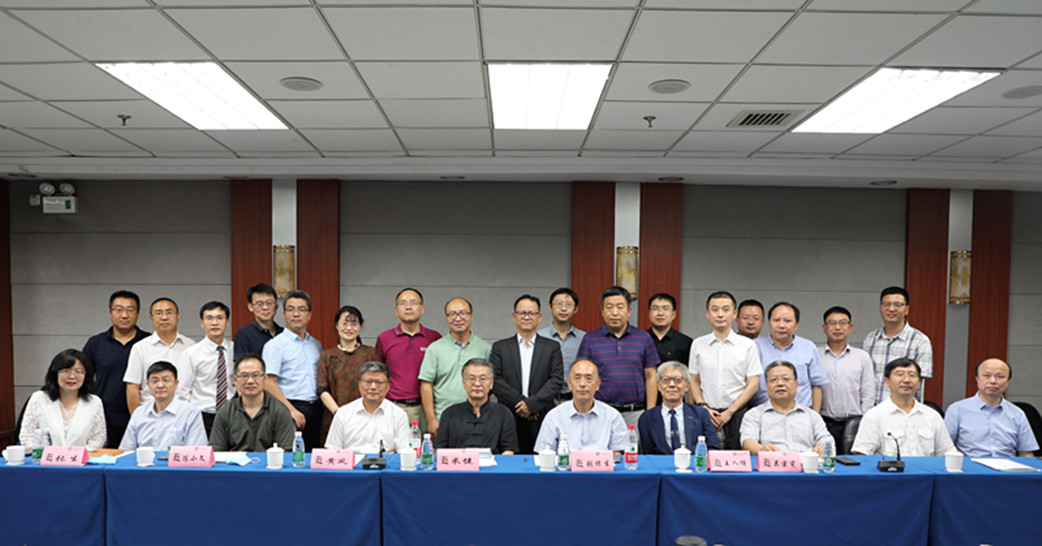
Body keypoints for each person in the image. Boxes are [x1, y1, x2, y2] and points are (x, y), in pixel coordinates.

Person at [575, 286, 660, 428]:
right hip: (601, 412)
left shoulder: (643, 338)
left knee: (634, 443)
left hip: (635, 412)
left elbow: (651, 376)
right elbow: (582, 376)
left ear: (629, 311)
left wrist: (649, 412)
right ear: (602, 311)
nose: (615, 312)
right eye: (609, 307)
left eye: (620, 307)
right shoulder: (590, 339)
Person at [490, 294, 564, 453]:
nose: (526, 317)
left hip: (542, 415)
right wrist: (523, 404)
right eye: (522, 313)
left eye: (531, 313)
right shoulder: (500, 347)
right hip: (509, 414)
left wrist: (532, 405)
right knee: (509, 460)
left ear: (539, 317)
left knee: (543, 461)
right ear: (514, 316)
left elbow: (556, 380)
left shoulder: (552, 347)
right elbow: (495, 380)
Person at [688, 291, 761, 449]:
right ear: (707, 314)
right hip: (707, 412)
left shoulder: (747, 345)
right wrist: (703, 406)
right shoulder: (698, 344)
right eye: (715, 310)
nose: (720, 314)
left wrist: (731, 411)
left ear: (734, 314)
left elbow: (753, 383)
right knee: (704, 456)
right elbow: (693, 380)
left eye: (725, 309)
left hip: (737, 412)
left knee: (736, 458)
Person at [82, 290, 151, 448]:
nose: (124, 315)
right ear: (110, 313)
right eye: (119, 310)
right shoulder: (96, 343)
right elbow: (83, 378)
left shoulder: (149, 342)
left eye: (130, 310)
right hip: (105, 418)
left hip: (143, 415)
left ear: (138, 314)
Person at [418, 297, 491, 437]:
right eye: (452, 314)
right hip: (443, 419)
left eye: (463, 313)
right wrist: (431, 419)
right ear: (446, 318)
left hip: (478, 419)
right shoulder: (435, 348)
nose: (458, 318)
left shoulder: (485, 348)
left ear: (471, 316)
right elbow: (426, 384)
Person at [851, 358, 954, 457]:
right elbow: (863, 455)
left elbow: (948, 453)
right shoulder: (874, 416)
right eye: (900, 374)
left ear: (919, 382)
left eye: (912, 375)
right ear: (887, 381)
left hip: (926, 469)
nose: (906, 380)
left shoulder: (932, 416)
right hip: (890, 469)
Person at [261, 290, 323, 450]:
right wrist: (291, 410)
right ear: (284, 314)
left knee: (314, 457)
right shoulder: (275, 345)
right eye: (290, 309)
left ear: (309, 315)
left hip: (316, 409)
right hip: (289, 409)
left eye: (301, 309)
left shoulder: (316, 345)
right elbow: (267, 382)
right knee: (293, 456)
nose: (296, 314)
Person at [375, 288, 441, 433]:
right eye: (403, 303)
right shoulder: (384, 338)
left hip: (425, 407)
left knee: (425, 445)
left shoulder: (434, 338)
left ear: (422, 309)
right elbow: (379, 374)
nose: (409, 307)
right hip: (394, 405)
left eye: (414, 303)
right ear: (396, 310)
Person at [945, 358, 1038, 457]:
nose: (993, 381)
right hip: (969, 465)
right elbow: (945, 448)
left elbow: (1026, 453)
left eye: (1000, 376)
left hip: (1007, 465)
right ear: (977, 378)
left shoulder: (1017, 413)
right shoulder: (957, 410)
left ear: (1008, 381)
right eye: (986, 375)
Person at [534, 360, 629, 452]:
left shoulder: (612, 416)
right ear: (569, 384)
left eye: (588, 378)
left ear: (597, 384)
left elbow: (618, 454)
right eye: (577, 378)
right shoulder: (554, 416)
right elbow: (544, 453)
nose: (582, 384)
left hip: (601, 463)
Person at [19, 349, 106, 450]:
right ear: (55, 373)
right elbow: (26, 437)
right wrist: (52, 453)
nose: (72, 376)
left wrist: (74, 454)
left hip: (82, 459)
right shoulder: (38, 399)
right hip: (45, 458)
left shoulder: (94, 402)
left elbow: (98, 439)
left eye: (78, 372)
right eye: (66, 371)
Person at [741, 361, 831, 456]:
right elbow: (747, 442)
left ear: (796, 385)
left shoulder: (811, 415)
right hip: (772, 462)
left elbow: (827, 440)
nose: (780, 383)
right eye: (773, 380)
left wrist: (823, 449)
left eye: (786, 379)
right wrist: (761, 449)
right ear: (766, 386)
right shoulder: (754, 415)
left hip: (806, 463)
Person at [751, 302, 829, 412]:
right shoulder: (755, 346)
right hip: (764, 414)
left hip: (801, 414)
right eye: (776, 320)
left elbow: (816, 385)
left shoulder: (808, 347)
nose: (781, 325)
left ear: (796, 325)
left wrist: (814, 416)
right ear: (769, 323)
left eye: (787, 321)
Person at [317, 305, 378, 444]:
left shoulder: (370, 354)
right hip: (334, 417)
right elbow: (322, 389)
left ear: (360, 327)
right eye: (345, 323)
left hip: (365, 418)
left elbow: (377, 387)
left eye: (354, 323)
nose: (349, 328)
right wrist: (339, 414)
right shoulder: (327, 355)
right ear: (337, 326)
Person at [818, 306, 875, 453]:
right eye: (832, 323)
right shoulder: (815, 355)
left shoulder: (862, 357)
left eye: (843, 323)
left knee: (851, 462)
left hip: (854, 424)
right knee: (825, 461)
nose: (838, 327)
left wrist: (864, 423)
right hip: (824, 423)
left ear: (850, 328)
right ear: (824, 328)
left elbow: (868, 394)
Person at [210, 354, 296, 452]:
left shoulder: (280, 411)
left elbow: (286, 451)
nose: (250, 381)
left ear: (265, 379)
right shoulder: (225, 412)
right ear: (235, 380)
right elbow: (217, 451)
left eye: (255, 375)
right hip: (234, 462)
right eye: (244, 376)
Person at [123, 297, 194, 413]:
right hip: (150, 414)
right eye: (159, 313)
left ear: (178, 316)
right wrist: (138, 418)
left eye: (169, 312)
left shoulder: (191, 346)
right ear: (151, 318)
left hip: (183, 414)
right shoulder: (140, 348)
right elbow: (132, 387)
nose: (164, 317)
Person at [862, 286, 932, 403]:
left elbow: (918, 384)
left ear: (907, 309)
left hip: (903, 409)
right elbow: (865, 379)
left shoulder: (920, 341)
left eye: (897, 305)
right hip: (874, 409)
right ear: (881, 308)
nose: (891, 309)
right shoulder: (870, 339)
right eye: (886, 304)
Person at [434, 358, 518, 455]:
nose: (477, 384)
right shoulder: (449, 414)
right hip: (458, 464)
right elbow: (439, 451)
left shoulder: (503, 414)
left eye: (483, 379)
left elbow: (509, 451)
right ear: (464, 383)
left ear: (491, 383)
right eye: (471, 379)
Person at [325, 361, 411, 453]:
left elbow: (404, 451)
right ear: (359, 385)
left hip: (386, 461)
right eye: (368, 382)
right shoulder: (343, 413)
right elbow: (333, 450)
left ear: (387, 387)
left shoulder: (399, 415)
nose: (373, 387)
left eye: (379, 382)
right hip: (352, 461)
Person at [119, 361, 207, 450]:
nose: (160, 385)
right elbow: (126, 450)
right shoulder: (139, 413)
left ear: (176, 384)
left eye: (166, 380)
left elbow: (196, 451)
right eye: (155, 381)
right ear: (148, 385)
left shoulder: (190, 413)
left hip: (177, 459)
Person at [177, 301, 235, 435]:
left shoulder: (235, 349)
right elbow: (182, 391)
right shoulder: (191, 353)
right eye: (209, 318)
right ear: (202, 323)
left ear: (227, 322)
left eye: (220, 318)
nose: (215, 323)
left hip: (231, 415)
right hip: (202, 416)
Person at [639, 361, 718, 454]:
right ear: (659, 386)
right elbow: (647, 454)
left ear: (687, 386)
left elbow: (712, 450)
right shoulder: (647, 418)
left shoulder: (701, 414)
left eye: (678, 380)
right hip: (660, 463)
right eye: (666, 380)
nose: (672, 385)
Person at [537, 287, 585, 402]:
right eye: (559, 304)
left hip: (576, 399)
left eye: (568, 305)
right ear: (550, 307)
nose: (563, 308)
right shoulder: (539, 337)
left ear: (576, 309)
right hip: (546, 399)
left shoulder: (585, 338)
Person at [233, 283, 283, 360]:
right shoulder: (243, 335)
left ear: (276, 305)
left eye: (269, 303)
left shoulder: (283, 333)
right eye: (259, 304)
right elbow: (242, 365)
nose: (265, 307)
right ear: (250, 307)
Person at [647, 293, 693, 365]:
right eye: (655, 308)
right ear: (649, 313)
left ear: (673, 314)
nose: (660, 313)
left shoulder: (686, 343)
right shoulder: (639, 339)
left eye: (665, 308)